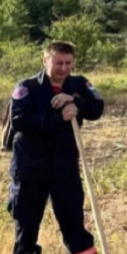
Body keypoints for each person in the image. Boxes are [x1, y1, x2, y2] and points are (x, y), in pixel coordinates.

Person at [8, 41, 105, 254]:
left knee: (74, 226)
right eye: (58, 63)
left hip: (64, 167)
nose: (63, 68)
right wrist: (59, 118)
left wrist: (75, 102)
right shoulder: (26, 87)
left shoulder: (79, 84)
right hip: (31, 168)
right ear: (45, 61)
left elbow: (97, 108)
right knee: (26, 230)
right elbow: (20, 121)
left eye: (68, 63)